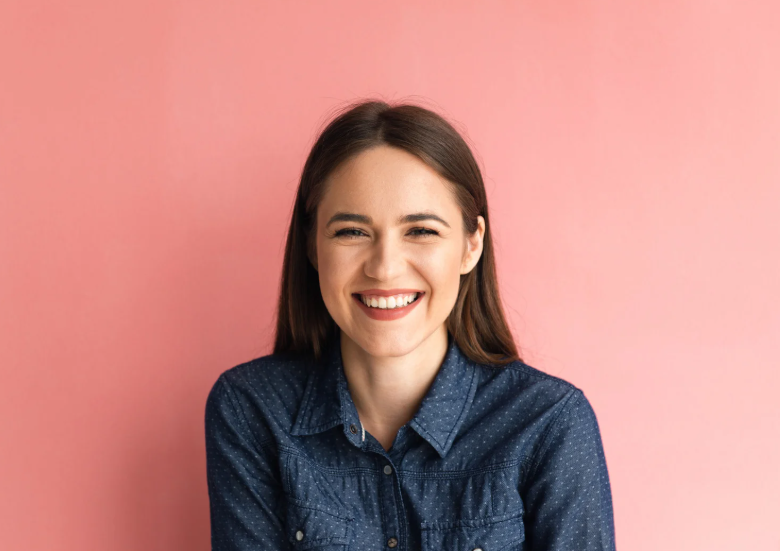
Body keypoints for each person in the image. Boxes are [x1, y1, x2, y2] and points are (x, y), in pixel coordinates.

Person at [204, 99, 616, 550]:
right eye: (351, 232)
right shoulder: (250, 410)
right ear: (311, 246)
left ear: (471, 246)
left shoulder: (549, 423)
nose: (384, 268)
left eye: (421, 231)